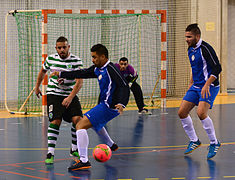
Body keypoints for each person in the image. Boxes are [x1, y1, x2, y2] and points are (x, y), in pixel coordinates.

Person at [50, 44, 130, 170]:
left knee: (80, 125)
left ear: (103, 57)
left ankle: (84, 160)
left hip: (109, 106)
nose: (92, 60)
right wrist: (61, 74)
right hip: (104, 104)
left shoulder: (111, 69)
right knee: (95, 123)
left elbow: (124, 86)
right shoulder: (98, 68)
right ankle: (111, 145)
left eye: (94, 57)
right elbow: (82, 72)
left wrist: (121, 103)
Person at [35, 36, 84, 164]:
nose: (62, 50)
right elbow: (42, 71)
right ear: (56, 48)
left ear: (68, 47)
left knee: (78, 120)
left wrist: (70, 97)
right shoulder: (50, 59)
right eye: (59, 48)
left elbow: (79, 82)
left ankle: (74, 148)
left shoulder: (76, 61)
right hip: (54, 93)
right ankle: (50, 153)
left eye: (64, 47)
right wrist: (37, 86)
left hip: (70, 93)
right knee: (56, 120)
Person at [178, 23, 222, 159]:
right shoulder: (190, 49)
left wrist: (207, 85)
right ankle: (194, 141)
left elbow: (217, 68)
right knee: (182, 112)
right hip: (196, 86)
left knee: (201, 113)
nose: (187, 39)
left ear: (197, 36)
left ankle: (214, 142)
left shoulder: (206, 49)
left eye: (189, 37)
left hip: (210, 86)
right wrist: (191, 82)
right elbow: (195, 67)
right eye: (186, 37)